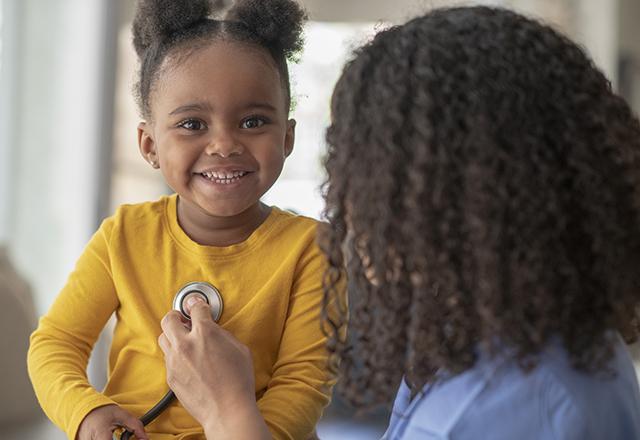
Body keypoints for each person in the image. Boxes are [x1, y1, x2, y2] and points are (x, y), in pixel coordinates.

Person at [157, 5, 640, 440]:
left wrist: (227, 413)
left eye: (367, 172)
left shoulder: (484, 414)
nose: (349, 207)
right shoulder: (561, 345)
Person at [27, 0, 340, 439]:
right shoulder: (123, 237)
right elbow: (55, 344)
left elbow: (303, 384)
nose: (224, 144)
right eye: (193, 124)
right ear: (150, 145)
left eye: (253, 121)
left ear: (287, 137)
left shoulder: (314, 250)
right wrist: (85, 413)